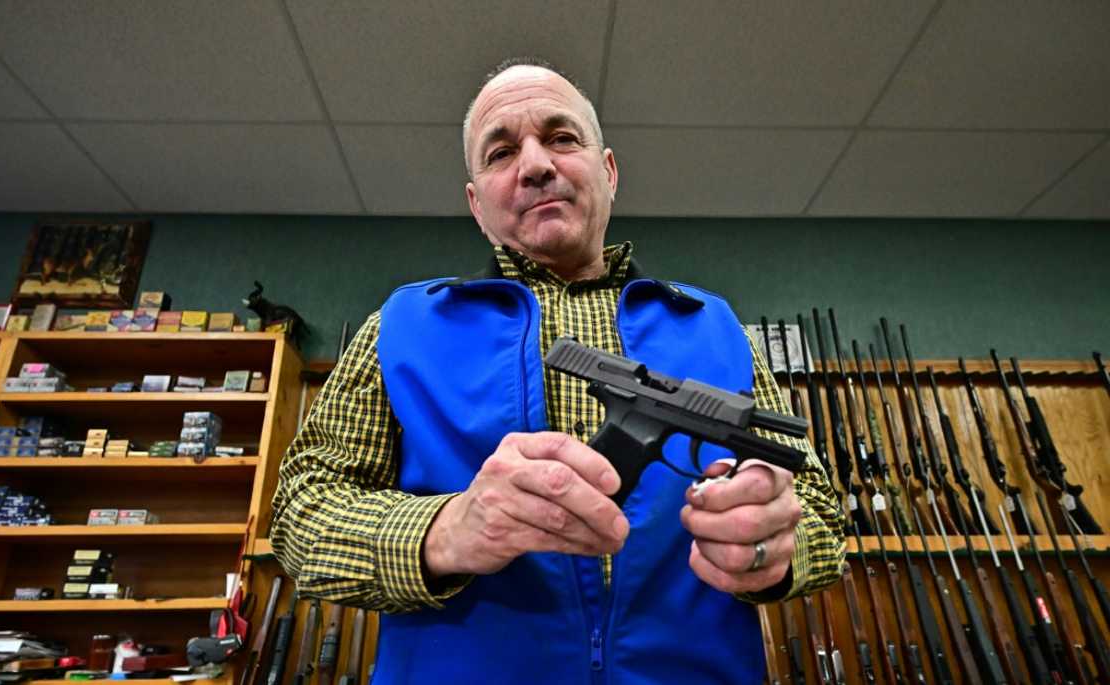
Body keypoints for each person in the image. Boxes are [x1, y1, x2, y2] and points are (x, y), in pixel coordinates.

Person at [270, 57, 845, 684]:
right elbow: (301, 513)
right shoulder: (400, 326)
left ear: (609, 170)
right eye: (500, 153)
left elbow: (820, 512)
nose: (537, 164)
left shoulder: (716, 326)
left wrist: (778, 548)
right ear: (476, 204)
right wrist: (445, 531)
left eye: (562, 138)